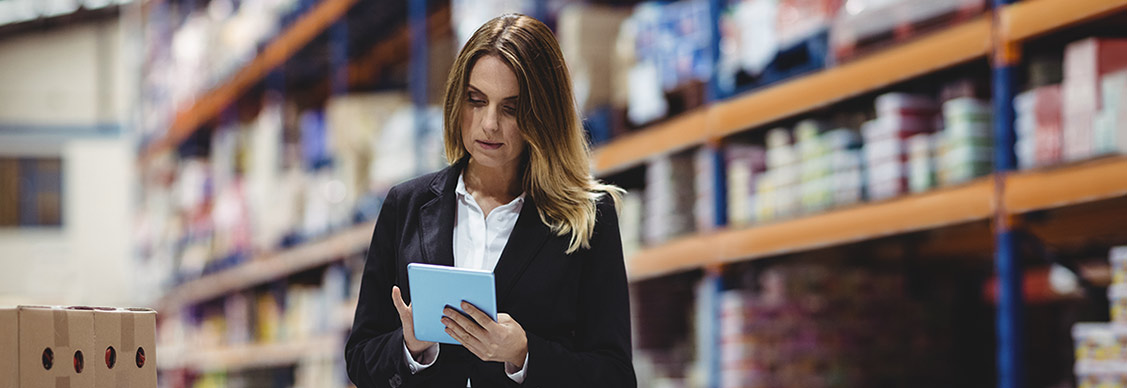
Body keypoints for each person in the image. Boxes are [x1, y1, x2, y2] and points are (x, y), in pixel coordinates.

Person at [344, 13, 637, 388]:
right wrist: (410, 346)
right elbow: (360, 359)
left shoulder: (586, 218)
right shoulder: (406, 206)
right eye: (476, 101)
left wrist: (524, 355)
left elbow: (615, 377)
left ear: (542, 113)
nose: (489, 124)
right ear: (457, 101)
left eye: (511, 108)